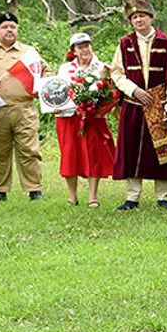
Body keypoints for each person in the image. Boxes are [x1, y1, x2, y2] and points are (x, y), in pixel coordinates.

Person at [110, 0, 167, 210]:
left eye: (142, 16)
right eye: (134, 18)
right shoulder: (125, 44)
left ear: (151, 17)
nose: (138, 20)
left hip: (158, 104)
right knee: (131, 149)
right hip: (133, 104)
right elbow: (116, 73)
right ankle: (132, 197)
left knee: (161, 149)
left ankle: (162, 196)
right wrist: (134, 90)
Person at [0, 12, 46, 203]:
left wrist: (41, 86)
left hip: (24, 108)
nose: (9, 30)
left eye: (13, 27)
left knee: (29, 150)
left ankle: (34, 189)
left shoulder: (29, 52)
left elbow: (46, 71)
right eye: (4, 27)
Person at [51, 32, 116, 206]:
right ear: (73, 51)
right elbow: (57, 91)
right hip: (68, 117)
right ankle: (72, 196)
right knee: (70, 154)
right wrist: (54, 105)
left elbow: (112, 93)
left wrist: (100, 108)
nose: (84, 50)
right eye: (80, 47)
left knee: (94, 154)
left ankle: (93, 196)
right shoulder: (65, 69)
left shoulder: (102, 68)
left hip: (93, 117)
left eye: (87, 46)